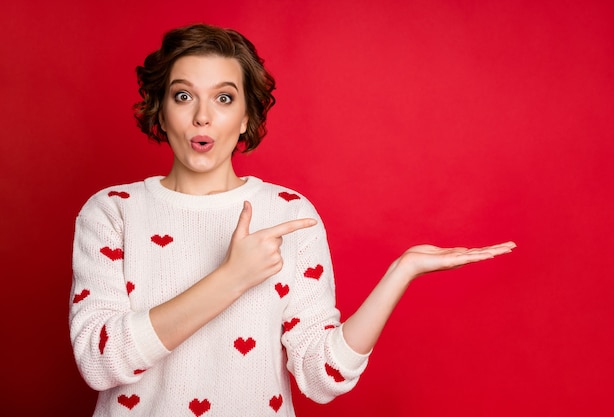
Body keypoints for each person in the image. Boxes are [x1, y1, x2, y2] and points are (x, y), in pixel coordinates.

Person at [69, 23, 515, 416]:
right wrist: (233, 278)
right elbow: (98, 360)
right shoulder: (113, 211)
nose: (202, 116)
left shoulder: (289, 213)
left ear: (246, 117)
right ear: (161, 112)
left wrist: (402, 273)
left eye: (224, 98)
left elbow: (323, 376)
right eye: (183, 96)